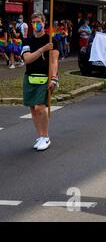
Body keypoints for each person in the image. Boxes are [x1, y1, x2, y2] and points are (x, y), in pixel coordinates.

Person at [21, 13, 59, 151]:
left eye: (39, 22)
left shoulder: (52, 41)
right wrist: (43, 49)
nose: (37, 24)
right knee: (33, 108)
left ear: (44, 23)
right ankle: (40, 136)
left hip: (45, 78)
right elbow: (28, 59)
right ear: (31, 24)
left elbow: (54, 61)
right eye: (34, 22)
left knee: (40, 108)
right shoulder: (27, 41)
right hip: (30, 78)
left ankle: (46, 136)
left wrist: (54, 78)